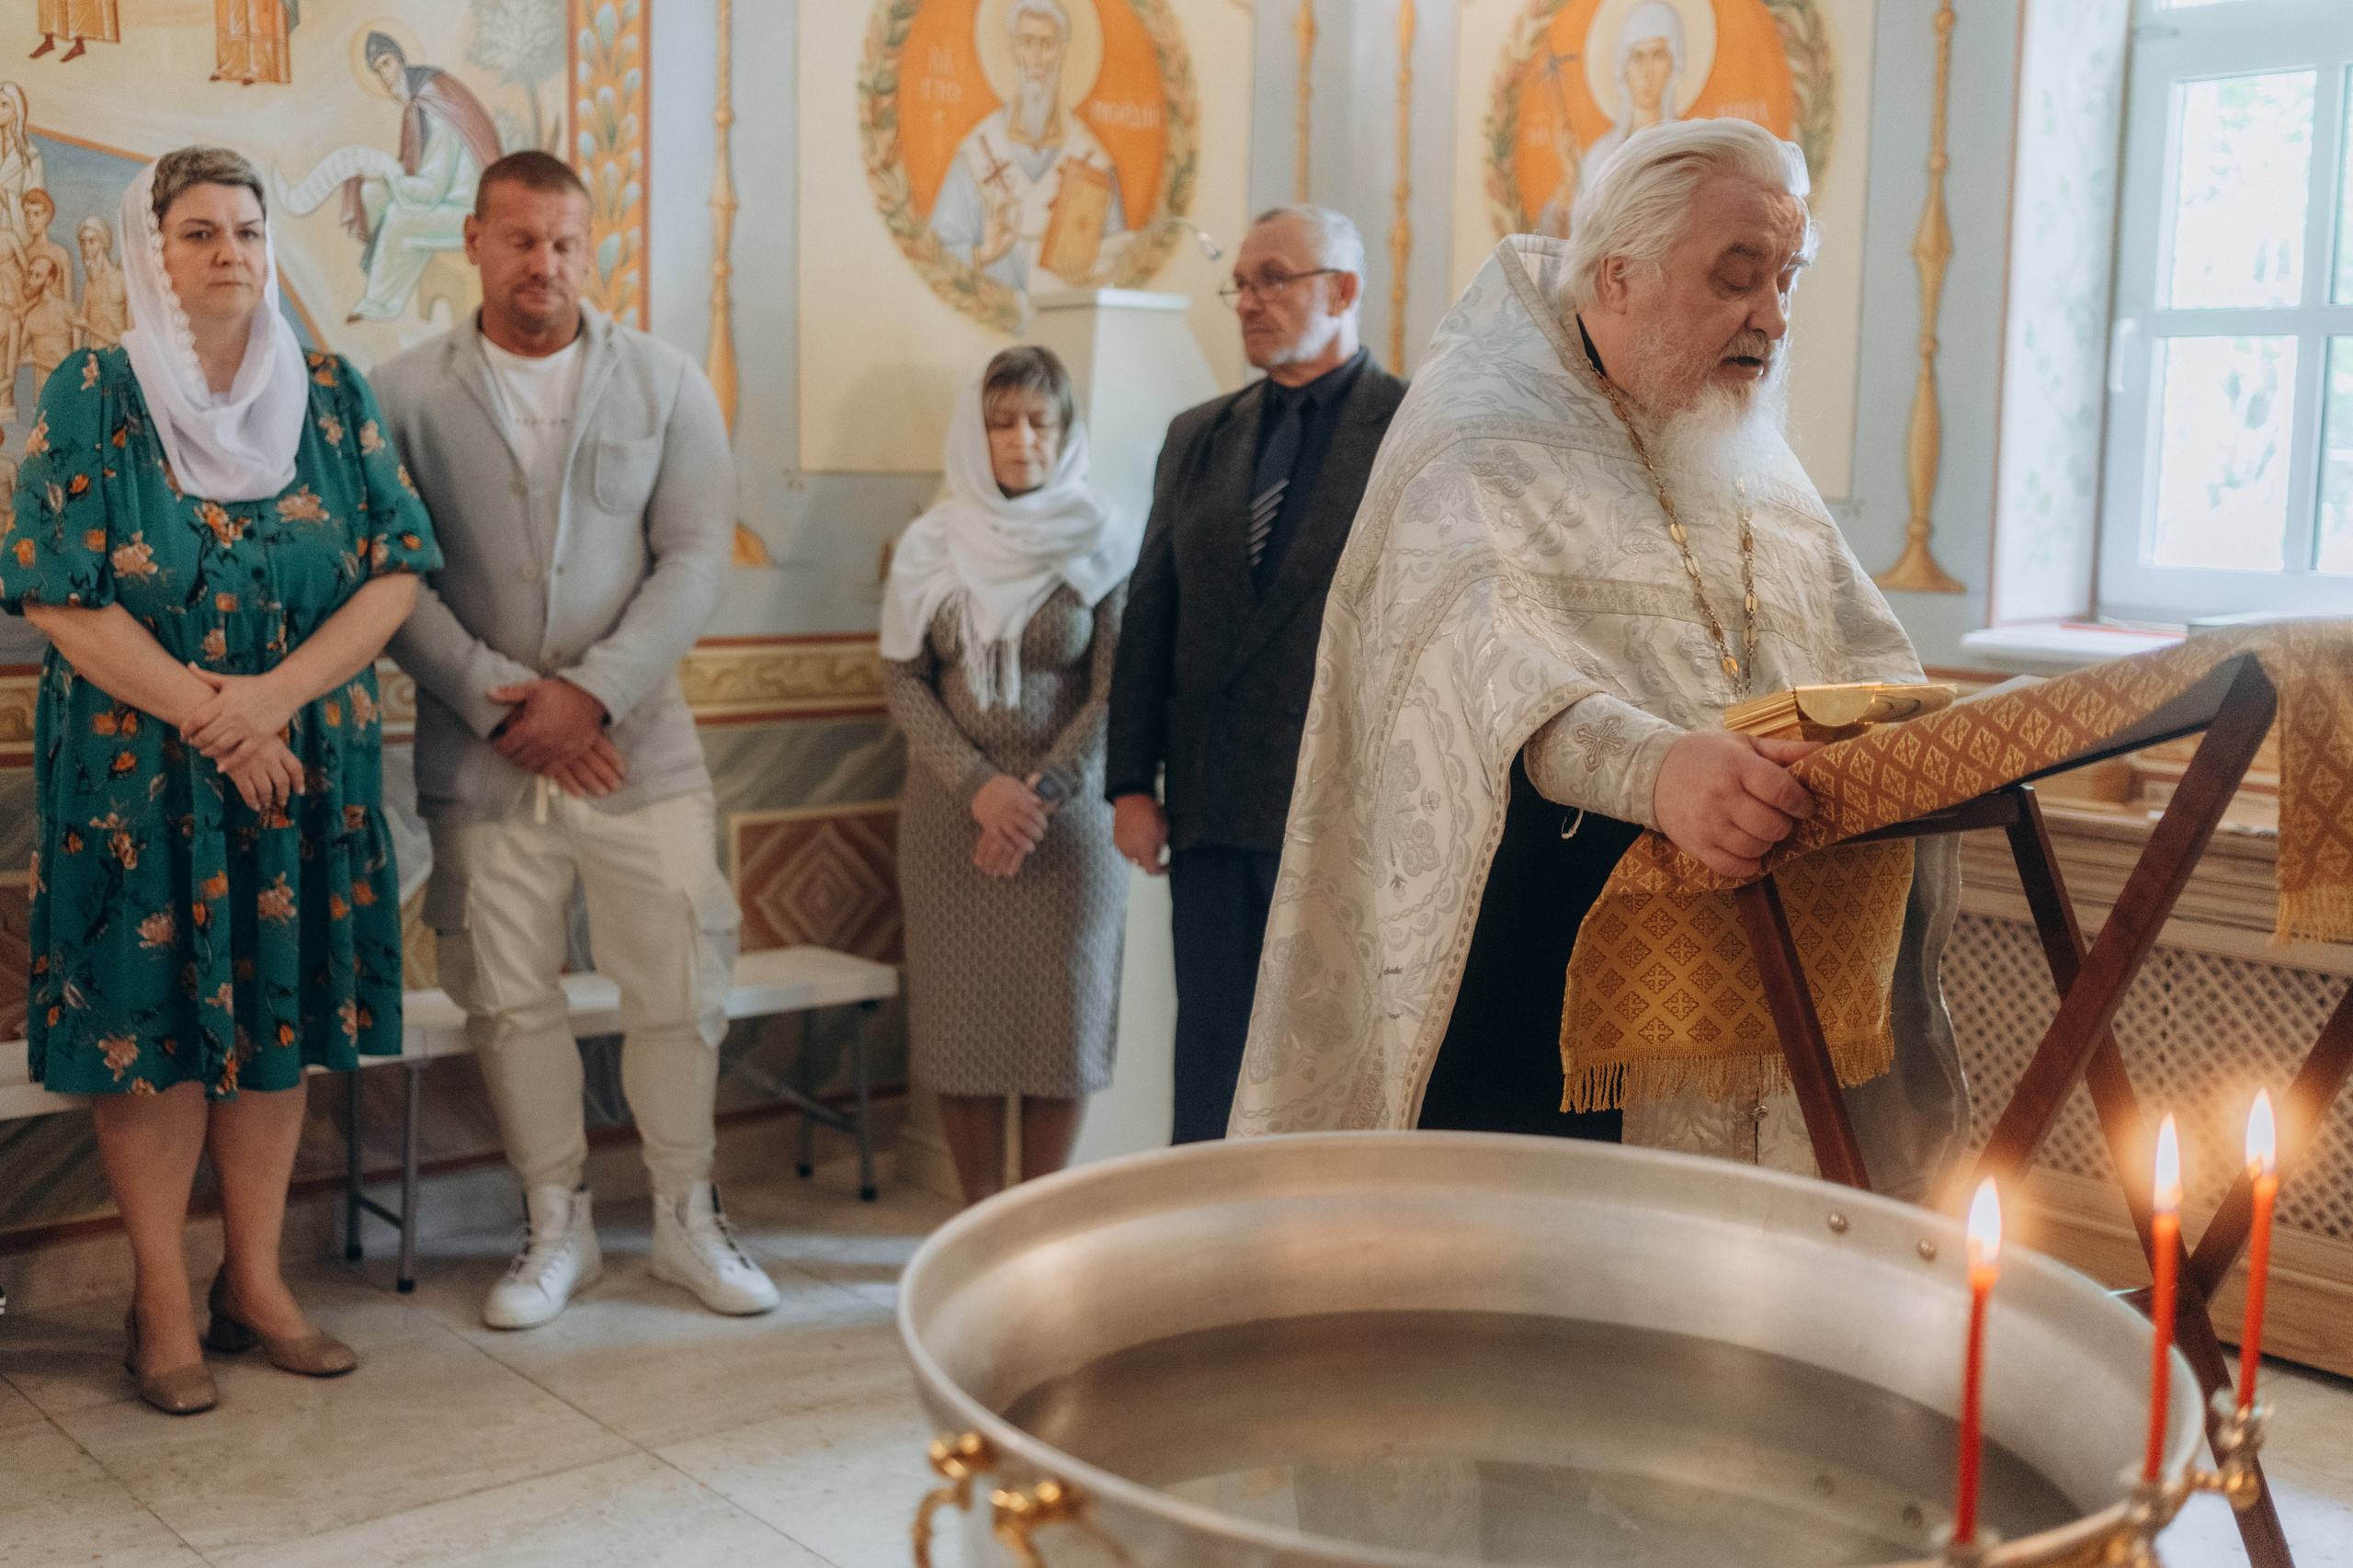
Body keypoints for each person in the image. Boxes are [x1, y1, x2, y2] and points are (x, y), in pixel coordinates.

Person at [1230, 120, 1965, 1201]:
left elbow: (1861, 645)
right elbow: (1487, 669)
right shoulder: (1474, 427)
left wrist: (1925, 737)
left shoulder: (1739, 441)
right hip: (1530, 973)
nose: (1772, 314)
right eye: (1737, 275)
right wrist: (1661, 770)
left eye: (1786, 277)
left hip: (1747, 947)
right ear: (1619, 276)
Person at [0, 145, 438, 1414]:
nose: (230, 253)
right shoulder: (93, 391)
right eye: (198, 232)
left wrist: (271, 704)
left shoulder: (334, 392)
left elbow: (397, 570)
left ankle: (257, 1284)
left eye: (248, 229)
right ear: (154, 251)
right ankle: (158, 1296)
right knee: (155, 1044)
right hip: (142, 780)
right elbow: (52, 592)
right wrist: (214, 712)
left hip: (294, 770)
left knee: (270, 1037)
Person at [377, 151, 770, 1329]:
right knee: (509, 1000)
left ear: (587, 249)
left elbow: (696, 557)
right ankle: (557, 1227)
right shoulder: (399, 394)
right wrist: (509, 703)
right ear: (476, 242)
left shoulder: (663, 382)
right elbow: (389, 575)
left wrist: (588, 697)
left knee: (678, 987)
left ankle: (689, 1219)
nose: (541, 263)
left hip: (636, 751)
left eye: (563, 243)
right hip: (481, 758)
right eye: (518, 240)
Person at [1103, 204, 1407, 1144]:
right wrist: (1127, 781)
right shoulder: (1197, 433)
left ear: (1343, 289)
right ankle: (1201, 1257)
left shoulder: (1411, 427)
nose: (1248, 300)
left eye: (1273, 277)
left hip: (1343, 806)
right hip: (1210, 801)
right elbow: (1149, 611)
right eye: (1239, 282)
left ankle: (1322, 1255)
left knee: (1327, 1053)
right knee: (1211, 1053)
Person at [881, 347, 1139, 1204]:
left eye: (1041, 421)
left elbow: (1117, 687)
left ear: (1066, 433)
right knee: (966, 1031)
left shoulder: (1107, 537)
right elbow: (903, 680)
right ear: (975, 432)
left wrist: (1042, 795)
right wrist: (980, 789)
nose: (1022, 439)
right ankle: (979, 1224)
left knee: (1059, 1029)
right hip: (952, 821)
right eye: (1002, 421)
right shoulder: (931, 544)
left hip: (1069, 829)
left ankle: (1039, 1223)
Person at [930, 0, 1128, 297]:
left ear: (1062, 52)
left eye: (1047, 44)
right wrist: (985, 253)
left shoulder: (1093, 162)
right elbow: (937, 251)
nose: (1036, 58)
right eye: (1027, 42)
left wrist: (1092, 267)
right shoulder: (977, 152)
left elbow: (1119, 259)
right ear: (1013, 49)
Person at [73, 213, 126, 348]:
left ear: (104, 243)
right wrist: (76, 359)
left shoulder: (122, 280)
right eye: (83, 242)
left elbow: (129, 338)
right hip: (94, 360)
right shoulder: (90, 285)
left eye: (92, 241)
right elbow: (80, 327)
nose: (86, 248)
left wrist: (88, 326)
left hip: (118, 360)